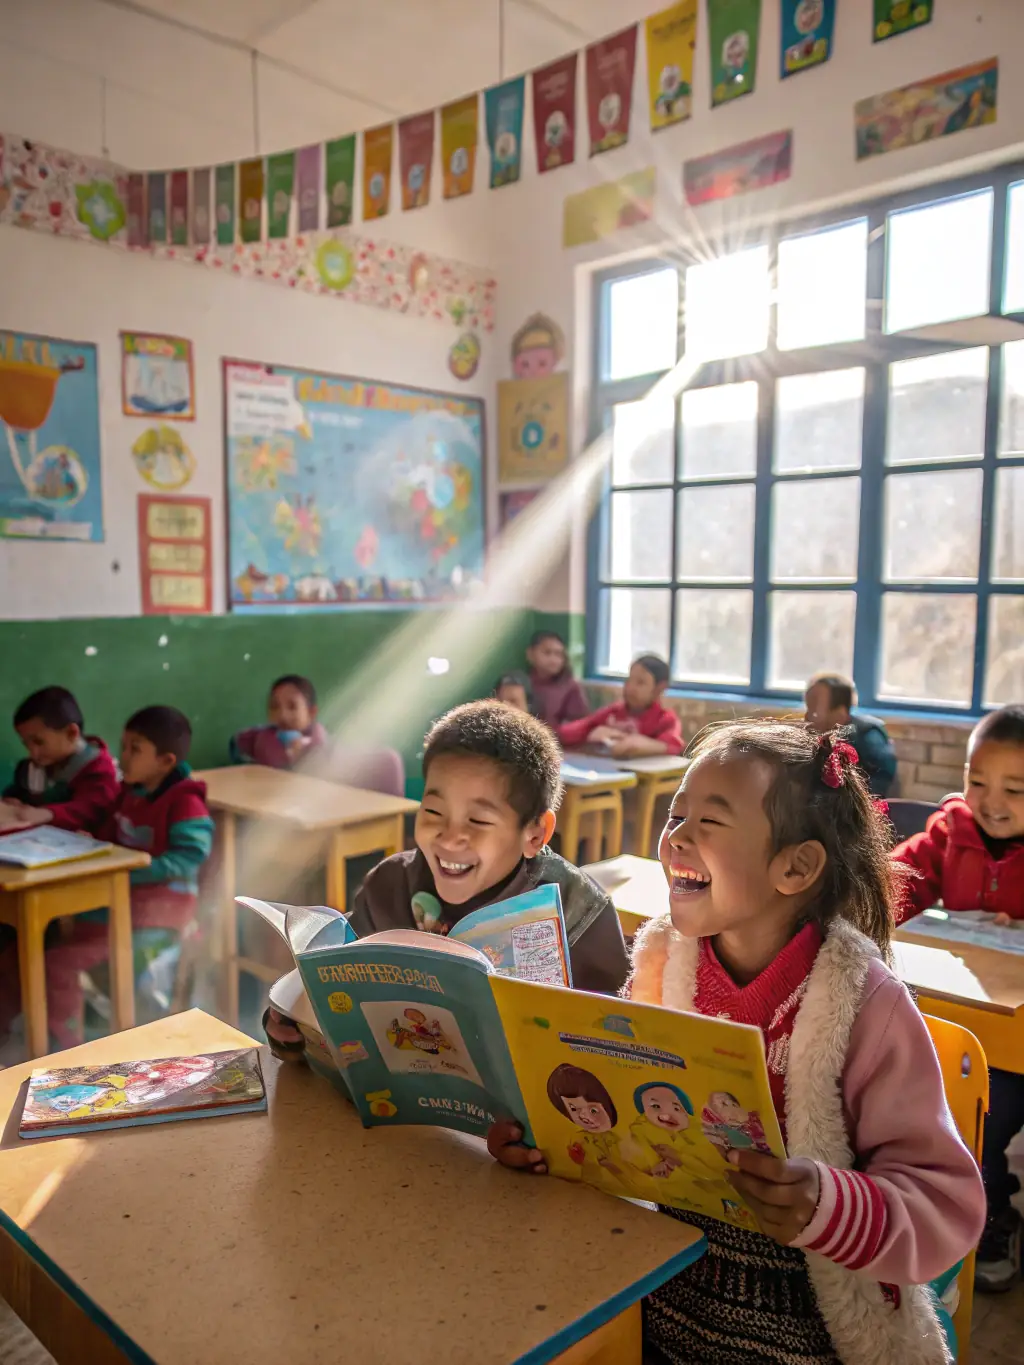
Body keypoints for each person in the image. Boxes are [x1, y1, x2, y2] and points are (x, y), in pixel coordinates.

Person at [489, 721, 984, 1365]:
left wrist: (827, 1203)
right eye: (676, 813)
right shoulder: (665, 961)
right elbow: (617, 1107)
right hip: (663, 1286)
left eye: (711, 822)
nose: (676, 838)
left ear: (795, 866)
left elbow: (947, 1204)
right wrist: (544, 1133)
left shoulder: (864, 1005)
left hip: (808, 1314)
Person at [266, 701, 629, 1058]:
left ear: (535, 834)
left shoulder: (578, 911)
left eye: (478, 821)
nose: (449, 837)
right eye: (434, 811)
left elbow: (615, 1045)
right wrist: (295, 1026)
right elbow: (336, 995)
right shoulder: (389, 887)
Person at [893, 704, 1024, 1292]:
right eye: (977, 782)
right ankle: (949, 1212)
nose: (991, 801)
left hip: (1018, 1035)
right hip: (955, 1015)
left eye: (1016, 789)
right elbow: (902, 878)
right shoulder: (952, 832)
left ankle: (993, 1217)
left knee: (989, 1121)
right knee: (943, 1110)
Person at [0, 705, 213, 1050]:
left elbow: (188, 859)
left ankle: (64, 1050)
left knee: (55, 965)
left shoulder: (185, 802)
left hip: (157, 917)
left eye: (135, 749)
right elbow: (109, 831)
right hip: (115, 907)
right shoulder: (130, 792)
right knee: (21, 953)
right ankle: (13, 1035)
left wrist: (129, 864)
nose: (122, 757)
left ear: (166, 761)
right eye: (123, 746)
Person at [0, 686, 119, 831]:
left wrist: (46, 814)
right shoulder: (33, 767)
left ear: (71, 733)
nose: (32, 753)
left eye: (38, 742)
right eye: (27, 744)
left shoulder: (99, 770)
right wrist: (13, 802)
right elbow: (20, 793)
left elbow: (90, 810)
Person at [557, 655, 682, 758]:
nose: (630, 688)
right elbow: (565, 733)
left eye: (640, 682)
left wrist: (634, 742)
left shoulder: (665, 718)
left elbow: (674, 745)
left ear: (659, 689)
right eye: (629, 680)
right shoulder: (614, 712)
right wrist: (591, 734)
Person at [804, 673, 897, 797]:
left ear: (840, 713)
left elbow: (880, 782)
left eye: (815, 709)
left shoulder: (867, 736)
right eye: (808, 708)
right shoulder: (814, 736)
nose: (807, 717)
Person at [230, 674, 328, 769]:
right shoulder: (267, 739)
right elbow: (276, 771)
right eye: (274, 707)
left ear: (311, 713)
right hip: (242, 748)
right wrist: (294, 754)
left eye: (292, 707)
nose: (282, 715)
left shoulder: (318, 734)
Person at [525, 630, 590, 730]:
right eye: (547, 653)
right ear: (530, 654)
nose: (554, 660)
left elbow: (579, 725)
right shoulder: (522, 683)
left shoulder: (570, 686)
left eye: (559, 654)